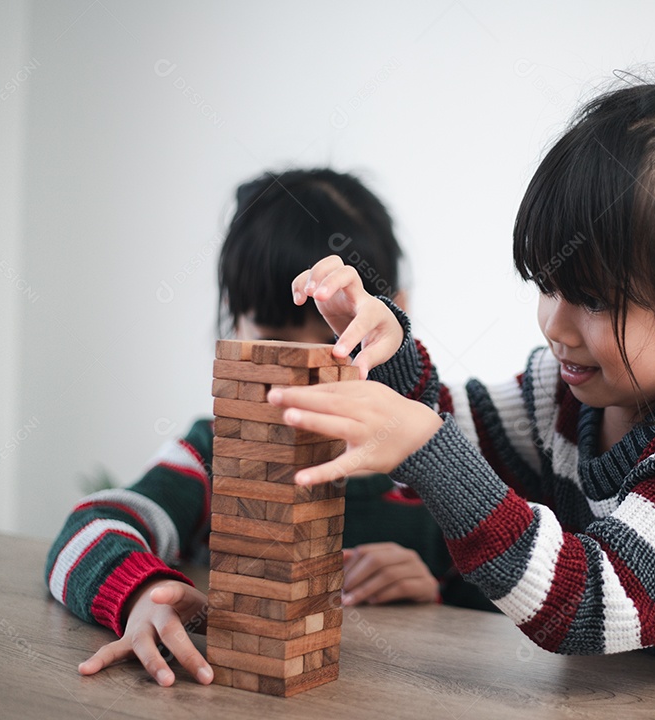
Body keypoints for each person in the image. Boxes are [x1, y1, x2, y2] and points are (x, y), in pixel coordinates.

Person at [267, 58, 655, 672]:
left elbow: (583, 606)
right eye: (548, 284)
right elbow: (447, 434)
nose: (555, 326)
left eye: (595, 300)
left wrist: (423, 446)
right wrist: (387, 349)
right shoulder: (564, 393)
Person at [45, 168, 492, 689]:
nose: (309, 371)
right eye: (276, 342)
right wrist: (142, 594)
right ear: (235, 328)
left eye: (340, 340)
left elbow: (511, 617)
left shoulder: (434, 465)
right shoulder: (215, 453)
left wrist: (432, 593)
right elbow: (88, 530)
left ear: (393, 320)